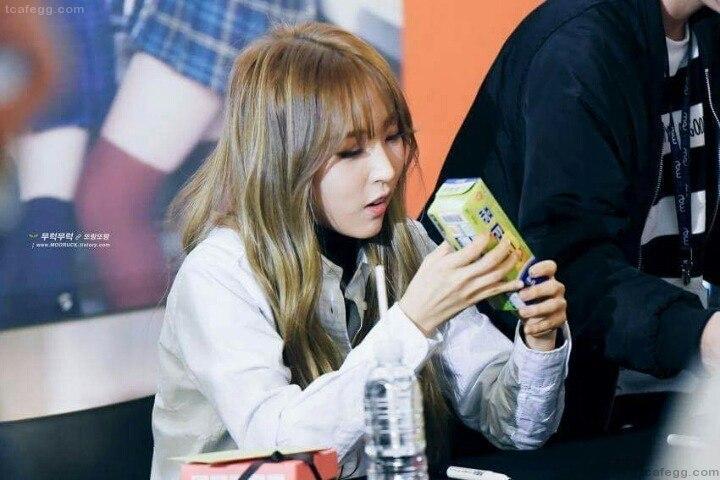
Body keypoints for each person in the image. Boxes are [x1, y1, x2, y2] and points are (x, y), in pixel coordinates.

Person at [150, 22, 571, 480]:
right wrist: (412, 322)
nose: (386, 170)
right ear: (282, 160)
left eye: (393, 137)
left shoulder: (406, 243)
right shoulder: (219, 273)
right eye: (351, 151)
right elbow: (282, 448)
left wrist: (538, 343)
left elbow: (517, 428)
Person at [424, 0, 720, 436]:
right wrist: (701, 337)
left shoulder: (704, 33)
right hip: (537, 407)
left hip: (669, 391)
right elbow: (569, 269)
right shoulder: (579, 48)